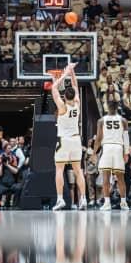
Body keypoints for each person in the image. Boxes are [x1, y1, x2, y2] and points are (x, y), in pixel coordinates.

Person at [50, 63, 87, 210]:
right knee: (78, 171)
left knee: (59, 170)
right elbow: (75, 85)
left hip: (64, 141)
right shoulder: (77, 103)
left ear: (64, 96)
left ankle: (60, 199)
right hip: (76, 140)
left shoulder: (62, 107)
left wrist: (64, 74)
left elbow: (54, 88)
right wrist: (72, 72)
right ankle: (83, 199)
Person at [93, 99, 130, 210]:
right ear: (117, 107)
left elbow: (98, 138)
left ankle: (107, 203)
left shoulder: (101, 120)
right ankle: (124, 203)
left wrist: (94, 153)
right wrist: (126, 153)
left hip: (107, 148)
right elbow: (126, 138)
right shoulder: (123, 120)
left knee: (106, 177)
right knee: (120, 178)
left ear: (107, 107)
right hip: (118, 148)